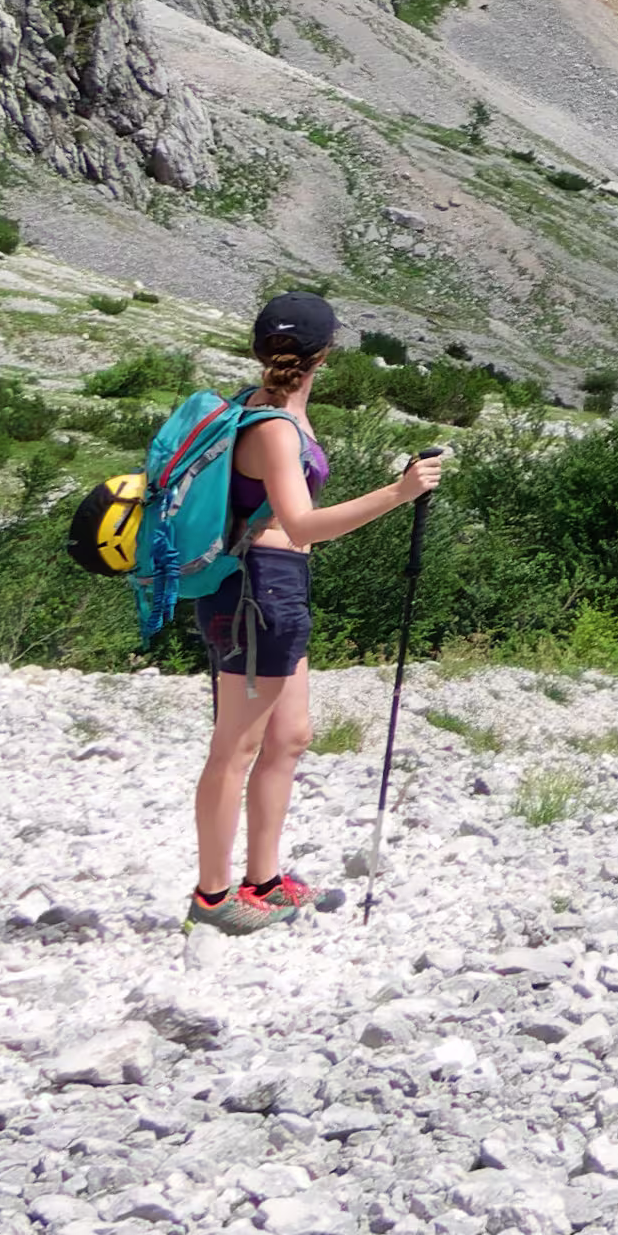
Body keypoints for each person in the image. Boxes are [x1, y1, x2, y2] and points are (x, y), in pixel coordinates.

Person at [184, 288, 443, 934]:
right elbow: (301, 524)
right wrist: (398, 491)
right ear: (324, 356)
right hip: (256, 587)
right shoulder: (272, 426)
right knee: (236, 746)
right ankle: (212, 899)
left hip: (271, 587)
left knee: (288, 737)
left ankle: (264, 880)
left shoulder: (262, 409)